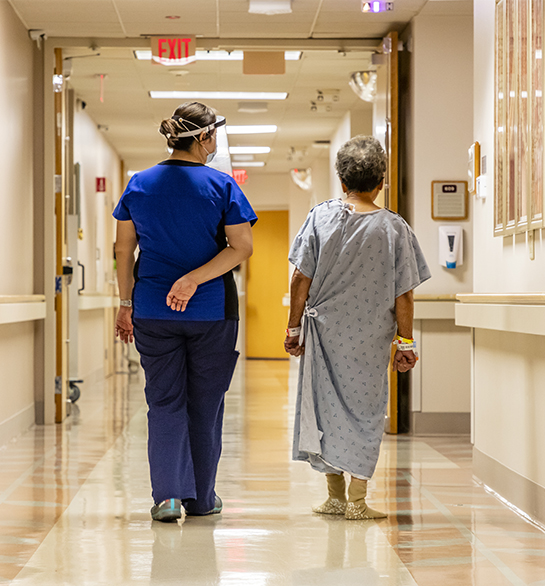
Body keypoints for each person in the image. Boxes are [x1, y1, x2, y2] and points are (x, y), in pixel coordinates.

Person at [113, 101, 257, 523]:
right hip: (211, 312)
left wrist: (125, 303)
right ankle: (201, 498)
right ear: (204, 138)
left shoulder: (138, 185)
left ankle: (168, 497)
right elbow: (241, 248)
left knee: (163, 401)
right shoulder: (222, 186)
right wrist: (195, 279)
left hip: (153, 310)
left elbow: (124, 249)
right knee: (205, 402)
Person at [284, 135, 430, 520]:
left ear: (341, 180)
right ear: (381, 180)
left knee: (326, 409)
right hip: (369, 342)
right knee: (366, 413)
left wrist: (293, 329)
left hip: (324, 336)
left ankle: (334, 496)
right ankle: (357, 501)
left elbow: (300, 277)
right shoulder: (394, 229)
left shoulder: (319, 217)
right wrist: (406, 342)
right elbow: (405, 295)